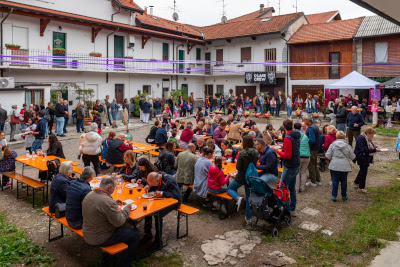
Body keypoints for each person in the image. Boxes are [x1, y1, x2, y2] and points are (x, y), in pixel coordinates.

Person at [82, 176, 139, 267]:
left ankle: (110, 259)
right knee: (135, 235)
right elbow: (119, 222)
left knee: (124, 228)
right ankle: (126, 264)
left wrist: (113, 202)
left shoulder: (90, 194)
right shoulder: (107, 202)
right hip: (99, 238)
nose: (115, 189)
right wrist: (127, 208)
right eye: (115, 187)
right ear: (110, 187)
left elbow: (101, 206)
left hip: (88, 232)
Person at [142, 172, 181, 250]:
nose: (152, 185)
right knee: (148, 210)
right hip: (163, 200)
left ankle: (158, 241)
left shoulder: (170, 181)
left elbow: (176, 196)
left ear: (157, 180)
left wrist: (162, 193)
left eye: (152, 184)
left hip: (175, 202)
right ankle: (148, 234)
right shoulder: (157, 177)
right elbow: (153, 185)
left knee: (158, 213)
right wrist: (148, 186)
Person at [227, 135, 258, 224]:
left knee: (230, 188)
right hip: (251, 175)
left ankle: (238, 198)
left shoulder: (242, 153)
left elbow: (239, 167)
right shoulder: (255, 152)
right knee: (248, 196)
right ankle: (248, 218)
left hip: (241, 176)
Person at [273, 119, 301, 215]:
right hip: (296, 163)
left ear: (284, 127)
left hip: (290, 166)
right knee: (292, 187)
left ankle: (284, 208)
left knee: (282, 187)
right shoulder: (296, 135)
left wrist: (278, 151)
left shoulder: (288, 138)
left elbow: (287, 155)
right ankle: (292, 208)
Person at [326, 131, 356, 202]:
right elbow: (353, 156)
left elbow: (327, 155)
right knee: (343, 181)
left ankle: (334, 195)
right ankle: (344, 195)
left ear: (336, 137)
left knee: (335, 180)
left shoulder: (332, 145)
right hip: (344, 165)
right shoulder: (348, 146)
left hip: (335, 165)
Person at [354, 127, 381, 193]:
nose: (373, 136)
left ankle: (357, 181)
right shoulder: (361, 138)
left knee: (362, 169)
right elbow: (363, 149)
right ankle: (361, 187)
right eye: (372, 135)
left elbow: (368, 146)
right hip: (361, 157)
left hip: (365, 157)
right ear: (368, 133)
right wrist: (375, 150)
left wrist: (375, 147)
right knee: (364, 171)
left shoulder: (366, 138)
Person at [302, 114, 320, 187]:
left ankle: (313, 181)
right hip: (315, 148)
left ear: (307, 120)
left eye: (304, 120)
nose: (303, 121)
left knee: (311, 165)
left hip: (312, 149)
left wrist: (305, 140)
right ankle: (317, 180)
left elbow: (312, 140)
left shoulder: (311, 128)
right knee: (314, 164)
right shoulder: (314, 126)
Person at [293, 123, 310, 193]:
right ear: (301, 128)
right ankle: (302, 188)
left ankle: (296, 189)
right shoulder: (305, 136)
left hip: (299, 155)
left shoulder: (294, 136)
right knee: (304, 172)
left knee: (297, 173)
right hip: (307, 156)